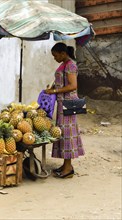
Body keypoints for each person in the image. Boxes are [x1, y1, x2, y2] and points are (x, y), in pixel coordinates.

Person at [45, 42, 85, 179]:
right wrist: (51, 89)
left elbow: (73, 86)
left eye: (55, 55)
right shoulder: (64, 65)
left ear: (63, 53)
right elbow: (61, 82)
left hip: (69, 104)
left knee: (67, 136)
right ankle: (66, 165)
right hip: (63, 104)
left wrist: (54, 90)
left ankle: (68, 168)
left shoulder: (71, 65)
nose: (54, 58)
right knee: (63, 134)